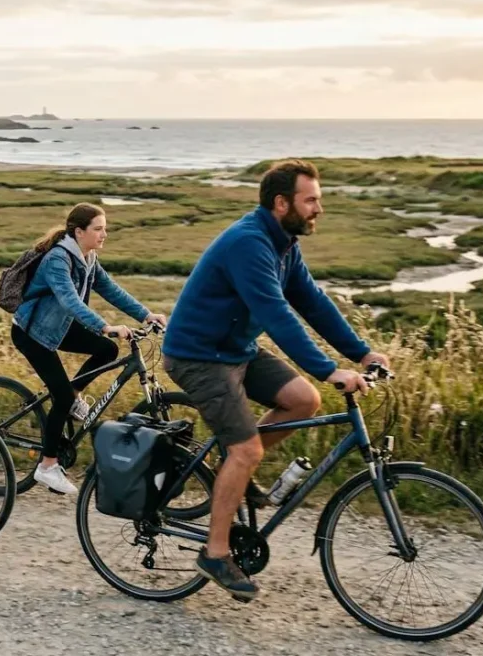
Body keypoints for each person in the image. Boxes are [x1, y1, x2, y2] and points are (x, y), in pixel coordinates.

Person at [161, 159, 390, 600]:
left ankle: (234, 470)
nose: (318, 209)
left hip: (236, 350)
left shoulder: (284, 242)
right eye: (311, 200)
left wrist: (360, 352)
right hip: (198, 356)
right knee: (245, 449)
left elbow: (313, 303)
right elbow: (276, 315)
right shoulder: (249, 244)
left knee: (303, 400)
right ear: (282, 203)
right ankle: (214, 552)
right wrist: (328, 369)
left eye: (318, 200)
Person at [10, 202, 168, 495]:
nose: (104, 234)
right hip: (32, 333)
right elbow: (70, 300)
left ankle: (73, 398)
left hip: (57, 327)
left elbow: (110, 290)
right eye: (98, 229)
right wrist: (105, 326)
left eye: (105, 229)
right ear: (79, 231)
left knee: (106, 351)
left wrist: (146, 314)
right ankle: (47, 466)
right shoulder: (58, 259)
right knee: (60, 395)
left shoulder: (88, 256)